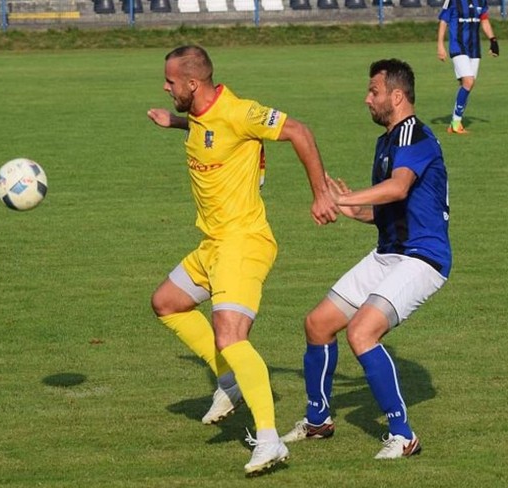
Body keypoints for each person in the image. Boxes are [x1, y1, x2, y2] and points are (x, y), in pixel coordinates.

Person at [147, 45, 338, 475]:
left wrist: (321, 193)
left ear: (192, 83)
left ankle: (269, 440)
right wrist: (175, 122)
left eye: (171, 82)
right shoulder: (200, 113)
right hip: (214, 243)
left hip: (243, 242)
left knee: (231, 336)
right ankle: (230, 382)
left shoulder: (241, 112)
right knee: (167, 303)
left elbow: (301, 132)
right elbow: (207, 132)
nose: (165, 86)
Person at [281, 59, 452, 460]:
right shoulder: (386, 142)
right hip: (389, 254)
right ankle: (318, 420)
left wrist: (339, 197)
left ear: (396, 96)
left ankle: (403, 435)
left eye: (373, 92)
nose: (367, 99)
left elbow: (397, 188)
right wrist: (354, 210)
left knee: (361, 333)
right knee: (318, 324)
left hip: (422, 259)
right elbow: (388, 207)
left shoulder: (414, 134)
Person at [437, 0, 499, 134]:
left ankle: (454, 122)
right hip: (458, 46)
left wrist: (493, 40)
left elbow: (484, 19)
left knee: (467, 85)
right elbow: (443, 21)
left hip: (474, 49)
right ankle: (456, 123)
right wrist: (440, 45)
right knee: (468, 81)